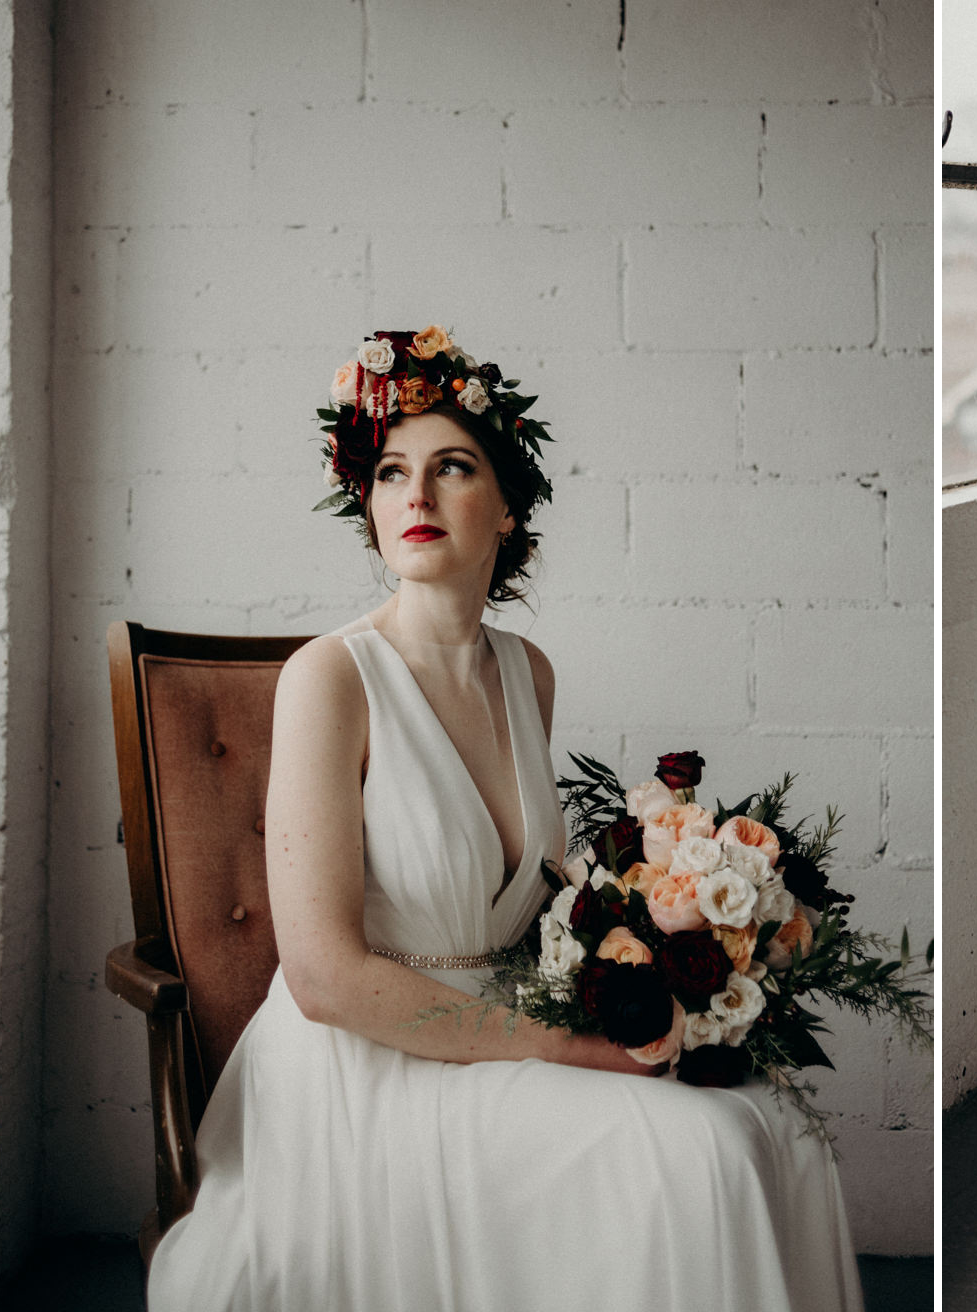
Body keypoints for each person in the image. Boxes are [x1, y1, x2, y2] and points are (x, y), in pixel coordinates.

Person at [148, 328, 863, 1311]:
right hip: (366, 1064)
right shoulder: (329, 678)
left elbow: (538, 914)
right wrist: (571, 1044)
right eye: (393, 470)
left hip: (508, 1028)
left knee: (766, 1118)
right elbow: (323, 979)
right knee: (700, 1152)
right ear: (366, 500)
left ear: (508, 503)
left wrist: (666, 958)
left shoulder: (528, 673)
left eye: (452, 465)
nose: (417, 494)